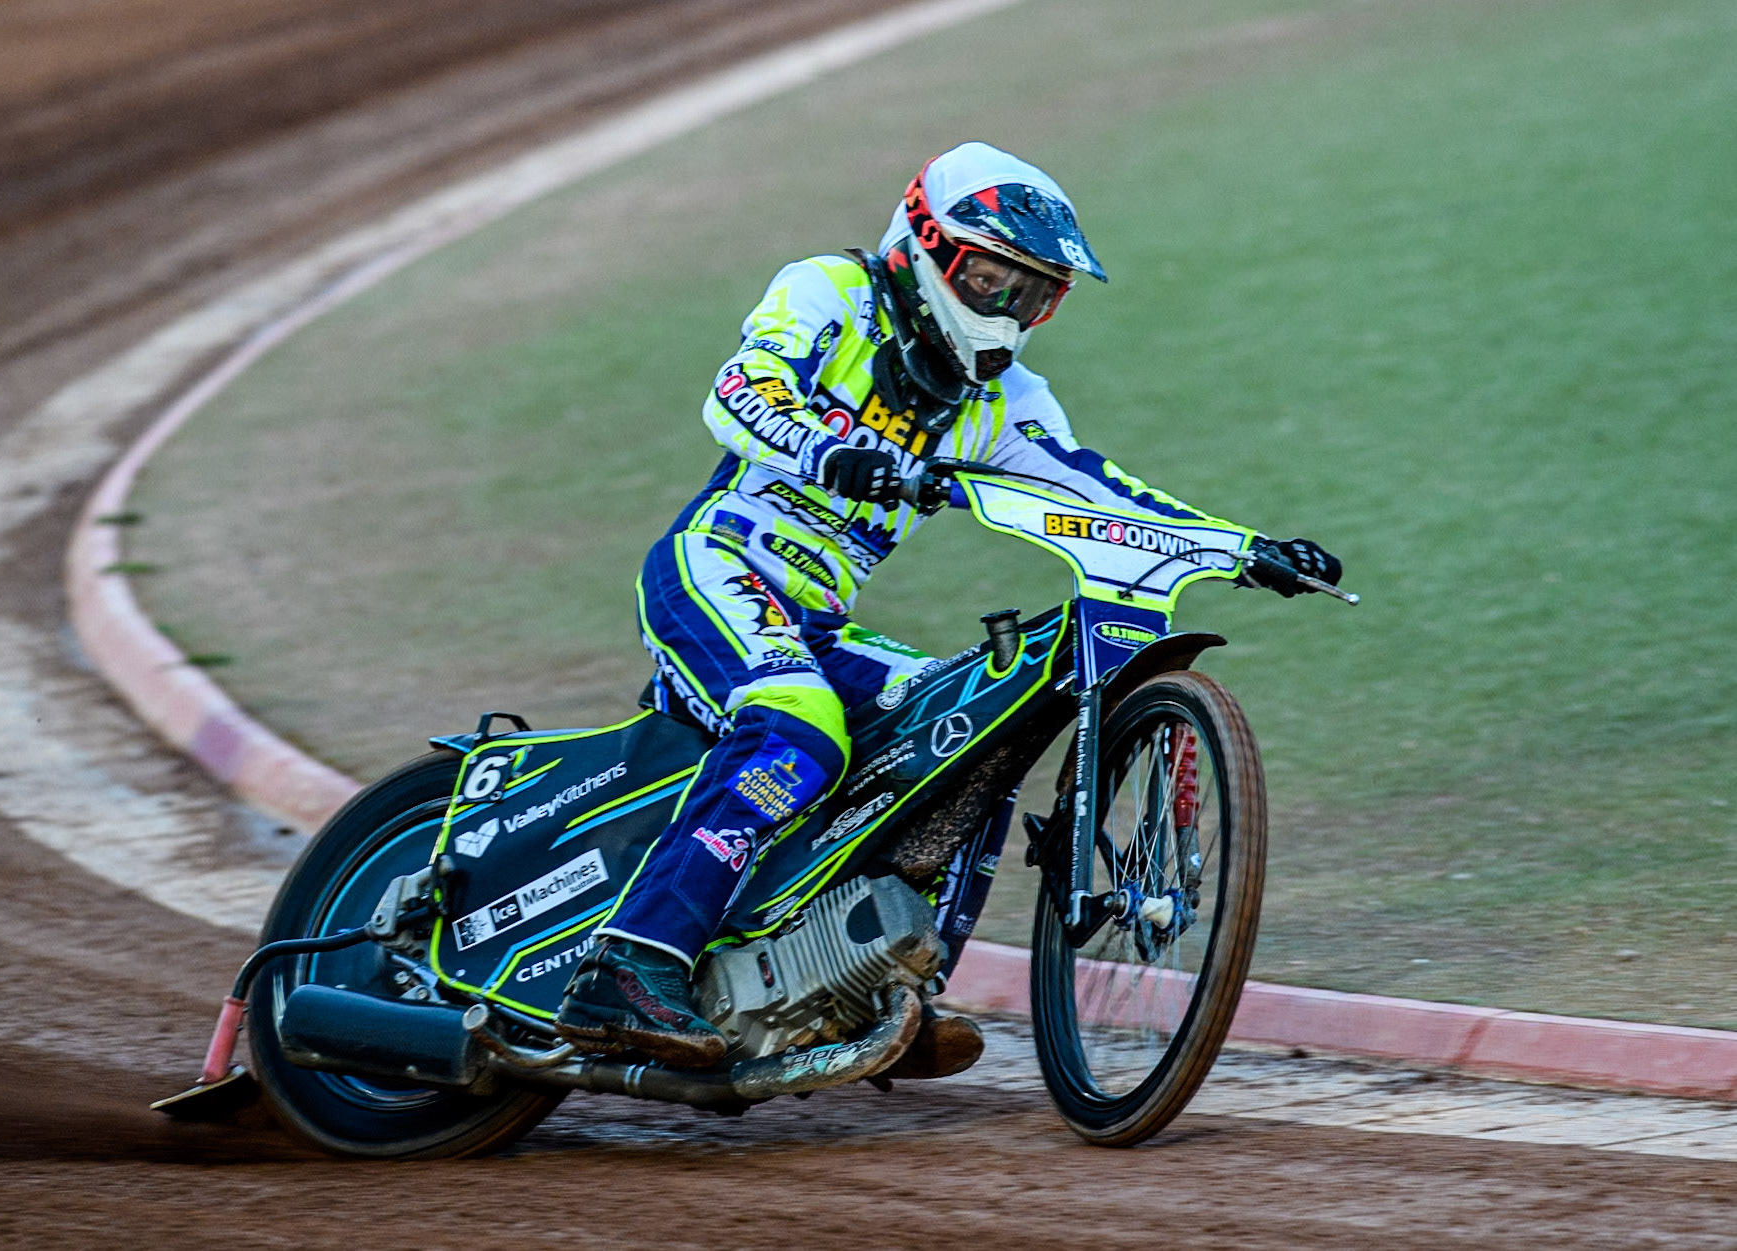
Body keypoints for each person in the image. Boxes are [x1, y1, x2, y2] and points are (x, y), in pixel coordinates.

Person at [554, 142, 1341, 1072]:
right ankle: (629, 963)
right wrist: (830, 450)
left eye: (1033, 295)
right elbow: (738, 394)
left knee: (972, 730)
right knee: (797, 729)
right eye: (991, 279)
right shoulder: (829, 292)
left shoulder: (1009, 400)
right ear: (923, 242)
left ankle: (892, 986)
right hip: (716, 567)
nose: (1007, 312)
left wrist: (1244, 548)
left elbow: (1105, 496)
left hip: (814, 623)